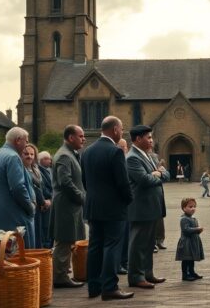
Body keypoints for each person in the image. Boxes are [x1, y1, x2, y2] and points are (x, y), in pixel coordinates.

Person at [82, 116, 134, 301]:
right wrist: (129, 200)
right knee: (112, 245)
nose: (122, 131)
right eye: (121, 128)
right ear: (115, 130)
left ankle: (94, 287)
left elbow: (85, 182)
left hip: (93, 206)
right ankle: (110, 287)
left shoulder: (87, 152)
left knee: (95, 246)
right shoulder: (115, 152)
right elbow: (123, 182)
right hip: (113, 208)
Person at [126, 125, 169, 289]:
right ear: (138, 139)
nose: (152, 140)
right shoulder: (132, 158)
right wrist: (157, 174)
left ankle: (148, 273)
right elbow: (145, 180)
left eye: (151, 137)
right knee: (138, 244)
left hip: (152, 207)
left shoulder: (149, 156)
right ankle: (136, 277)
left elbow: (166, 174)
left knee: (149, 243)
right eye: (148, 137)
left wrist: (158, 173)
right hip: (141, 208)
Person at [0, 127, 36, 247]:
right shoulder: (13, 157)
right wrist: (30, 207)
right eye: (26, 141)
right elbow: (17, 187)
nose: (27, 144)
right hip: (12, 214)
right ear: (18, 140)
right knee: (16, 255)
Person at [51, 125, 87, 289]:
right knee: (64, 240)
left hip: (70, 204)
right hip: (66, 204)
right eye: (80, 136)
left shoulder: (69, 154)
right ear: (71, 138)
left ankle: (63, 273)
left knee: (67, 239)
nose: (83, 139)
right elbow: (65, 182)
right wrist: (81, 197)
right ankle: (60, 276)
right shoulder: (64, 156)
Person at [176, 198, 204, 281]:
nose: (193, 208)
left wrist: (198, 231)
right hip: (186, 243)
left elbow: (194, 231)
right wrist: (197, 229)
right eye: (190, 206)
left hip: (193, 241)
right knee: (186, 259)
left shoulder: (193, 218)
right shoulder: (184, 219)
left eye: (194, 206)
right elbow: (186, 230)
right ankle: (185, 274)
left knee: (191, 259)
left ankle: (192, 272)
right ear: (184, 208)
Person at [23, 143, 45, 248]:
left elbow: (40, 187)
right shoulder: (22, 169)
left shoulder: (36, 169)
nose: (29, 156)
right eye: (26, 154)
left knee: (39, 234)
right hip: (29, 206)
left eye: (32, 154)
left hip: (39, 207)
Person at [116, 138, 130, 274]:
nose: (124, 149)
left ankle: (124, 262)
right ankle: (119, 263)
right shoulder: (116, 160)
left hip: (126, 206)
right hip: (118, 205)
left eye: (125, 147)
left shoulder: (125, 160)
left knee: (126, 235)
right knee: (119, 236)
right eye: (121, 147)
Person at [37, 151, 54, 249]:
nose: (50, 160)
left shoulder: (49, 170)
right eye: (48, 159)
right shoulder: (39, 171)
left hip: (51, 201)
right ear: (42, 160)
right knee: (46, 228)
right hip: (45, 203)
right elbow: (43, 188)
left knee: (50, 228)